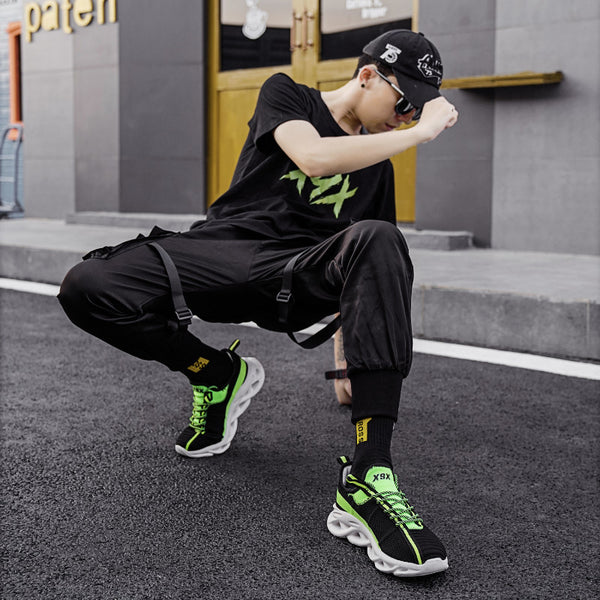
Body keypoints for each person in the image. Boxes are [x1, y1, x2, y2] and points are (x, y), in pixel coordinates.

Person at [59, 29, 458, 578]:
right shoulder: (288, 94)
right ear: (368, 76)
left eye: (416, 113)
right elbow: (312, 157)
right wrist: (422, 133)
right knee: (87, 285)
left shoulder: (377, 164)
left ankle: (369, 474)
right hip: (223, 252)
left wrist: (348, 363)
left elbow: (368, 266)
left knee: (383, 237)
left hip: (295, 276)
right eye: (405, 103)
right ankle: (216, 373)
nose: (407, 118)